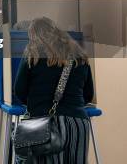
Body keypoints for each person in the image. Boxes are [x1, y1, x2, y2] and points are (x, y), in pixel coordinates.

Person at [14, 17, 94, 164]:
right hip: (78, 125)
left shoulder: (33, 54)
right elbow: (88, 95)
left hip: (44, 126)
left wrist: (35, 103)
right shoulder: (79, 55)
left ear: (33, 35)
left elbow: (19, 91)